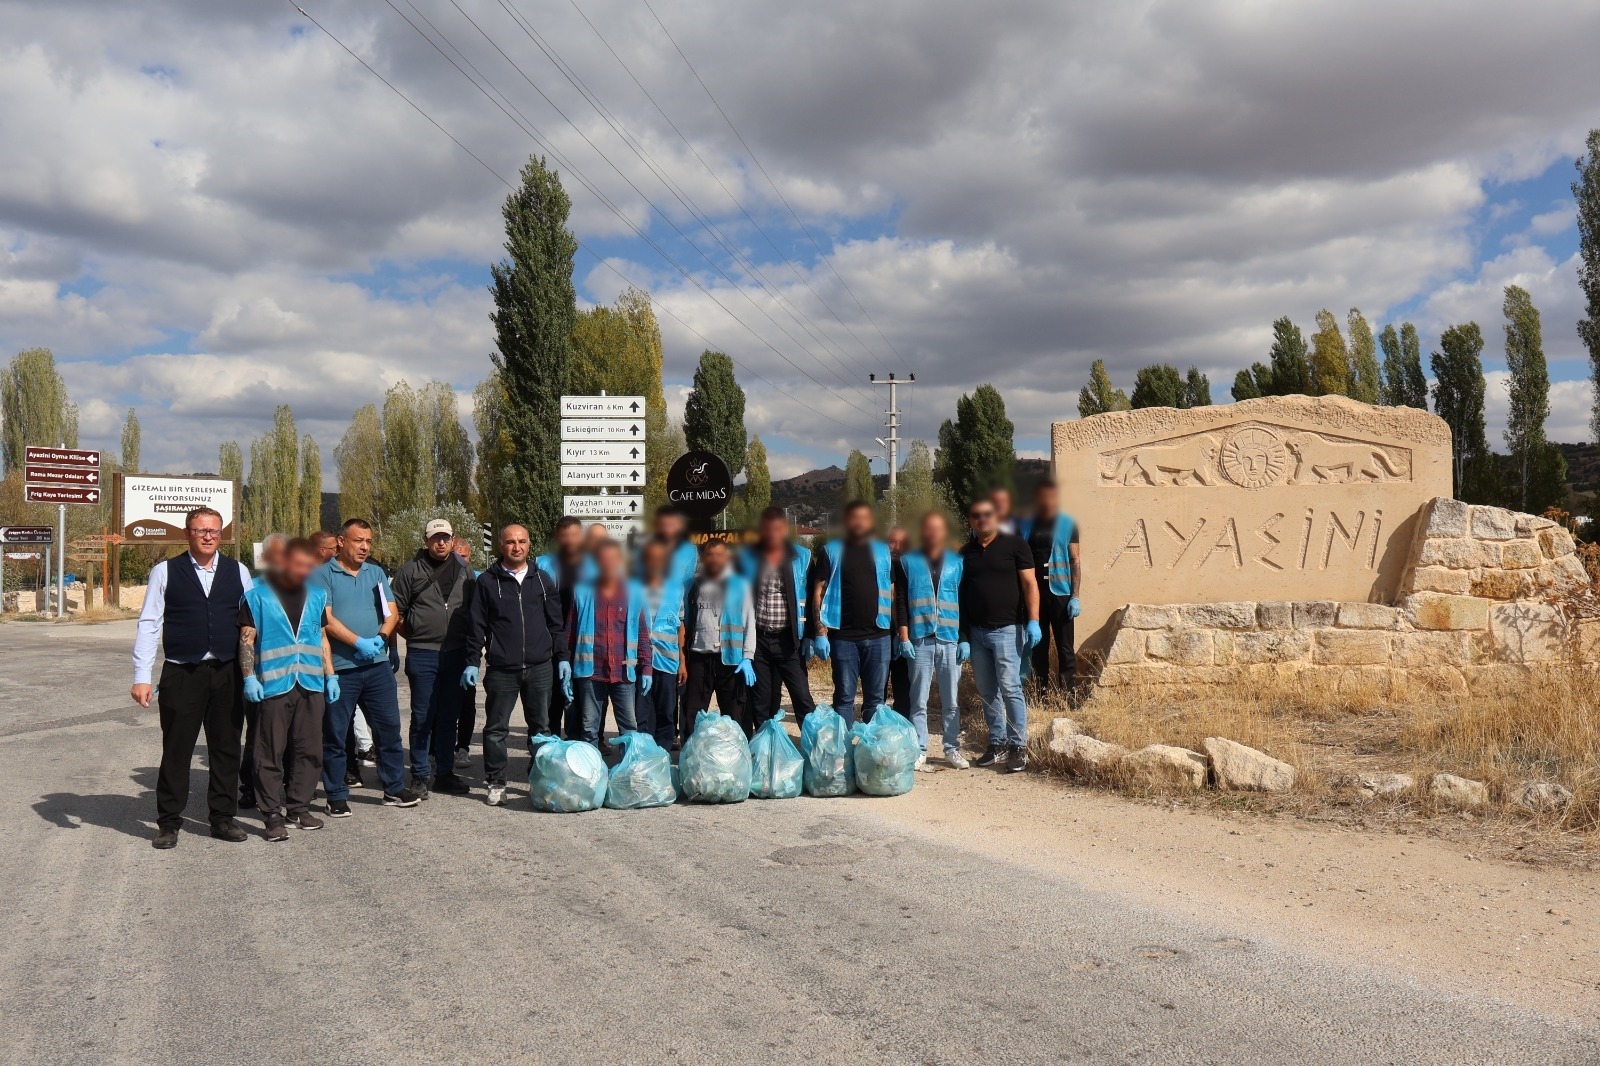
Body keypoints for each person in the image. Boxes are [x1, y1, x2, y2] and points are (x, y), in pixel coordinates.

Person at [131, 506, 255, 849]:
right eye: (201, 530)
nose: (208, 536)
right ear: (188, 533)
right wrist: (142, 675)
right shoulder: (165, 571)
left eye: (214, 531)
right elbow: (149, 624)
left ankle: (222, 818)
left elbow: (250, 623)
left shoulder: (238, 571)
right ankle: (169, 823)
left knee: (227, 749)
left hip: (227, 673)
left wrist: (254, 673)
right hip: (181, 673)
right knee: (176, 750)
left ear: (221, 534)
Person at [312, 518, 424, 815]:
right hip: (340, 668)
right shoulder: (323, 575)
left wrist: (382, 637)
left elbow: (392, 611)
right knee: (335, 734)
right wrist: (357, 642)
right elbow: (327, 618)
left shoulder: (375, 572)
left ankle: (393, 787)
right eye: (358, 540)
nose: (364, 546)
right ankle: (336, 794)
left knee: (388, 729)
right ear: (340, 541)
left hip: (376, 668)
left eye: (368, 541)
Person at [463, 524, 569, 807]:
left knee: (541, 729)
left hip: (540, 667)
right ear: (502, 545)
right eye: (510, 542)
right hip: (502, 669)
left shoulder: (543, 579)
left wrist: (562, 659)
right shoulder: (487, 582)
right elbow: (477, 627)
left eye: (522, 541)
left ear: (529, 544)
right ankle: (496, 781)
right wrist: (472, 661)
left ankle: (539, 777)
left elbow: (556, 625)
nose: (517, 547)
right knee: (497, 729)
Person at [238, 537, 335, 840]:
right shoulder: (256, 597)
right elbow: (246, 640)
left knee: (309, 749)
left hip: (310, 684)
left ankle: (298, 806)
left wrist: (331, 675)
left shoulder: (317, 595)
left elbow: (320, 637)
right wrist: (248, 677)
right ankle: (271, 814)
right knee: (269, 751)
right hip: (274, 685)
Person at [392, 518, 473, 796]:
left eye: (446, 537)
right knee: (423, 716)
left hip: (456, 654)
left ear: (452, 540)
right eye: (435, 537)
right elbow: (395, 614)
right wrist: (414, 636)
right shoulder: (410, 571)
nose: (441, 542)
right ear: (426, 540)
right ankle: (419, 774)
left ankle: (446, 773)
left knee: (450, 716)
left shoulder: (465, 569)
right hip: (422, 654)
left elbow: (474, 610)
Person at [960, 497, 1041, 773]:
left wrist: (1033, 621)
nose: (982, 519)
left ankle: (1019, 747)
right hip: (977, 633)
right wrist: (963, 636)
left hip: (1008, 629)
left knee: (1010, 688)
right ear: (971, 520)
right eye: (976, 515)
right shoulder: (966, 552)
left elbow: (1030, 584)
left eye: (987, 514)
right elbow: (961, 595)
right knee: (987, 691)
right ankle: (997, 743)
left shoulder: (1015, 544)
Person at [894, 511, 968, 771]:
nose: (933, 533)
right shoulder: (907, 562)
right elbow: (901, 602)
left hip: (949, 639)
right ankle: (920, 748)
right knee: (919, 700)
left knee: (951, 701)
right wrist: (903, 636)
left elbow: (965, 604)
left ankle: (952, 748)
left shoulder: (958, 562)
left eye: (938, 529)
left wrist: (964, 639)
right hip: (920, 640)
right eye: (929, 529)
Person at [809, 500, 893, 726]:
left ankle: (870, 752)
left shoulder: (883, 550)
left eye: (864, 517)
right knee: (845, 698)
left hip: (879, 636)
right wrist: (820, 633)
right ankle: (843, 753)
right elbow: (818, 592)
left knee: (876, 700)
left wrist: (897, 630)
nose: (860, 522)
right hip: (843, 638)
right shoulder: (831, 551)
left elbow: (891, 589)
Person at [738, 506, 814, 733]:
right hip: (759, 639)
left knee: (802, 697)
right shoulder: (748, 557)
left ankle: (814, 751)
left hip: (789, 640)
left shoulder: (802, 556)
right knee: (761, 700)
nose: (772, 534)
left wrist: (811, 634)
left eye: (777, 529)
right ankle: (765, 750)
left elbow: (811, 599)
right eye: (768, 529)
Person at [568, 539, 651, 747]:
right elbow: (570, 631)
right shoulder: (582, 591)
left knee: (629, 729)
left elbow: (642, 632)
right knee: (589, 729)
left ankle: (627, 774)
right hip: (590, 671)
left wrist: (647, 666)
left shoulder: (633, 592)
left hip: (623, 673)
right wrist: (565, 664)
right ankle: (591, 776)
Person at [680, 538, 755, 735]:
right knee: (692, 712)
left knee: (734, 713)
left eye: (719, 555)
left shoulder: (740, 585)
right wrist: (682, 658)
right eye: (710, 555)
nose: (714, 559)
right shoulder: (692, 585)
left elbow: (749, 621)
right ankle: (690, 756)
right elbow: (684, 621)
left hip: (730, 660)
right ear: (703, 558)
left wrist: (748, 656)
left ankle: (737, 757)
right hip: (698, 658)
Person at [1016, 480, 1082, 700]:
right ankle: (1040, 693)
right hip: (1034, 594)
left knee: (1065, 646)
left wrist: (1075, 596)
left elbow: (1075, 560)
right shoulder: (1025, 525)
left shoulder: (1067, 524)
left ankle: (1068, 693)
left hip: (1060, 593)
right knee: (1038, 646)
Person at [239, 531, 289, 811]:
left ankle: (286, 788)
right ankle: (249, 787)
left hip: (294, 678)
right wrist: (249, 677)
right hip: (261, 678)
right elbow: (246, 637)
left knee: (290, 740)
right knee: (259, 737)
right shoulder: (252, 591)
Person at [535, 515, 593, 737]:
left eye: (574, 536)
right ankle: (550, 744)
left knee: (580, 697)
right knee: (552, 697)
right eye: (564, 537)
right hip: (551, 639)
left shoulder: (594, 567)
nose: (569, 541)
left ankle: (576, 744)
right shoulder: (542, 564)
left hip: (582, 640)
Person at [636, 537, 687, 750]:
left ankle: (663, 755)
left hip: (667, 661)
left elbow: (680, 626)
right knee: (642, 713)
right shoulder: (634, 588)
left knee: (666, 712)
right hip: (639, 661)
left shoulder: (676, 590)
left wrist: (682, 662)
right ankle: (645, 757)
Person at [450, 535, 479, 769]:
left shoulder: (475, 579)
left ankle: (463, 748)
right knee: (441, 702)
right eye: (456, 556)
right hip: (442, 649)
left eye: (465, 556)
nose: (461, 560)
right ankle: (440, 746)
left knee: (467, 702)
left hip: (467, 649)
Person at [885, 524, 912, 717]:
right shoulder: (878, 565)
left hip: (905, 635)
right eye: (892, 541)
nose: (896, 547)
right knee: (877, 685)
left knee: (904, 686)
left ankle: (902, 720)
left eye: (901, 543)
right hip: (880, 633)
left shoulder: (913, 568)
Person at [651, 504, 699, 587]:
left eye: (671, 525)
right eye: (663, 525)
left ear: (679, 525)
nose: (667, 530)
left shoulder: (691, 551)